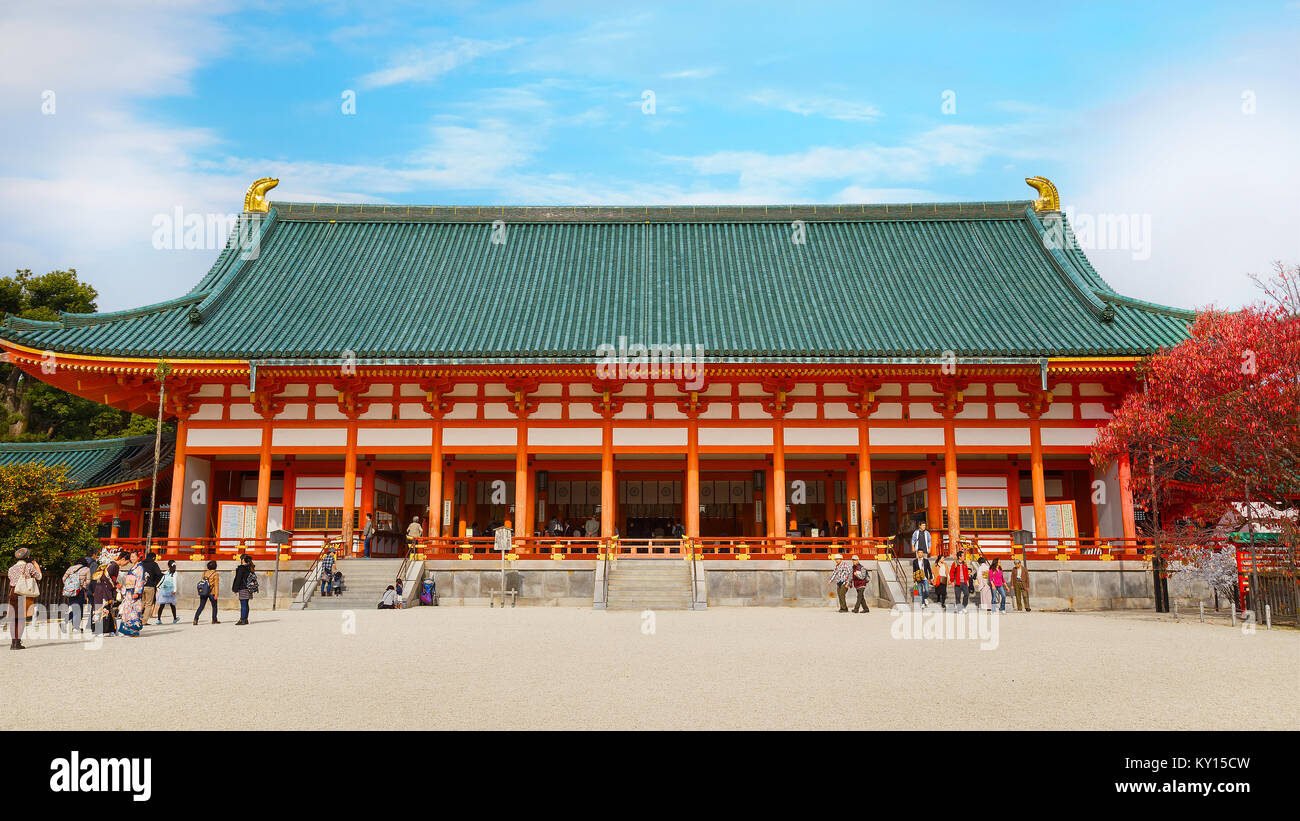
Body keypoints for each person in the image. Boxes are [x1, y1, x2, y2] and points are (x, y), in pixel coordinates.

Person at [7, 548, 42, 650]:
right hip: (24, 593)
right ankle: (17, 643)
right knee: (21, 618)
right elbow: (39, 577)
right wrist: (36, 566)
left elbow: (11, 579)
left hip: (13, 592)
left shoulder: (11, 568)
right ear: (27, 557)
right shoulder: (29, 566)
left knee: (14, 618)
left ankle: (13, 642)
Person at [115, 551, 146, 637]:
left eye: (133, 557)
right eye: (131, 557)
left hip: (134, 592)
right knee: (128, 611)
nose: (132, 559)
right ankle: (127, 630)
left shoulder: (140, 568)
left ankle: (134, 631)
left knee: (134, 611)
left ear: (138, 557)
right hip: (129, 592)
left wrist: (137, 592)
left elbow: (140, 581)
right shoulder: (133, 568)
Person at [61, 557, 93, 634]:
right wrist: (82, 584)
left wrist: (70, 586)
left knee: (73, 607)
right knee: (79, 609)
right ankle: (75, 627)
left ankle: (67, 621)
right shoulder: (87, 569)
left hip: (71, 591)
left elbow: (63, 579)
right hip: (80, 591)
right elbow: (88, 581)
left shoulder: (71, 568)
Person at [92, 556, 121, 636]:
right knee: (105, 608)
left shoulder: (109, 564)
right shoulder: (114, 565)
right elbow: (107, 576)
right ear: (123, 559)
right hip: (104, 589)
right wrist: (114, 585)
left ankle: (99, 629)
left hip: (100, 587)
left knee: (99, 607)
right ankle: (103, 630)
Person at [139, 551, 163, 627]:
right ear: (153, 558)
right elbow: (159, 574)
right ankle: (144, 621)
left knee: (141, 603)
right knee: (149, 604)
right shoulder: (154, 564)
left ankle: (136, 618)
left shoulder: (141, 563)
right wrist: (155, 581)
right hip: (150, 585)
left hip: (141, 585)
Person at [193, 560, 220, 624]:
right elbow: (216, 584)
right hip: (212, 592)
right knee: (214, 606)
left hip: (204, 592)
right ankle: (214, 619)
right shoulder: (215, 574)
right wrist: (216, 594)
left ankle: (196, 619)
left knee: (201, 606)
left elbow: (202, 582)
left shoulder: (205, 573)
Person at [231, 555, 256, 625]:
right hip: (249, 588)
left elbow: (238, 579)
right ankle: (245, 619)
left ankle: (242, 619)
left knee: (243, 604)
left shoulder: (241, 568)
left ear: (243, 560)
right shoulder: (250, 567)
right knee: (246, 604)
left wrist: (235, 589)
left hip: (242, 588)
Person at [154, 560, 179, 624]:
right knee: (172, 605)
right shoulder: (175, 573)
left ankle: (159, 619)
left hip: (163, 590)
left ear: (168, 566)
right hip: (171, 590)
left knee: (162, 605)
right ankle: (175, 618)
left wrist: (159, 589)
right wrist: (175, 590)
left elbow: (161, 581)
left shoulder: (165, 573)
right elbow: (174, 582)